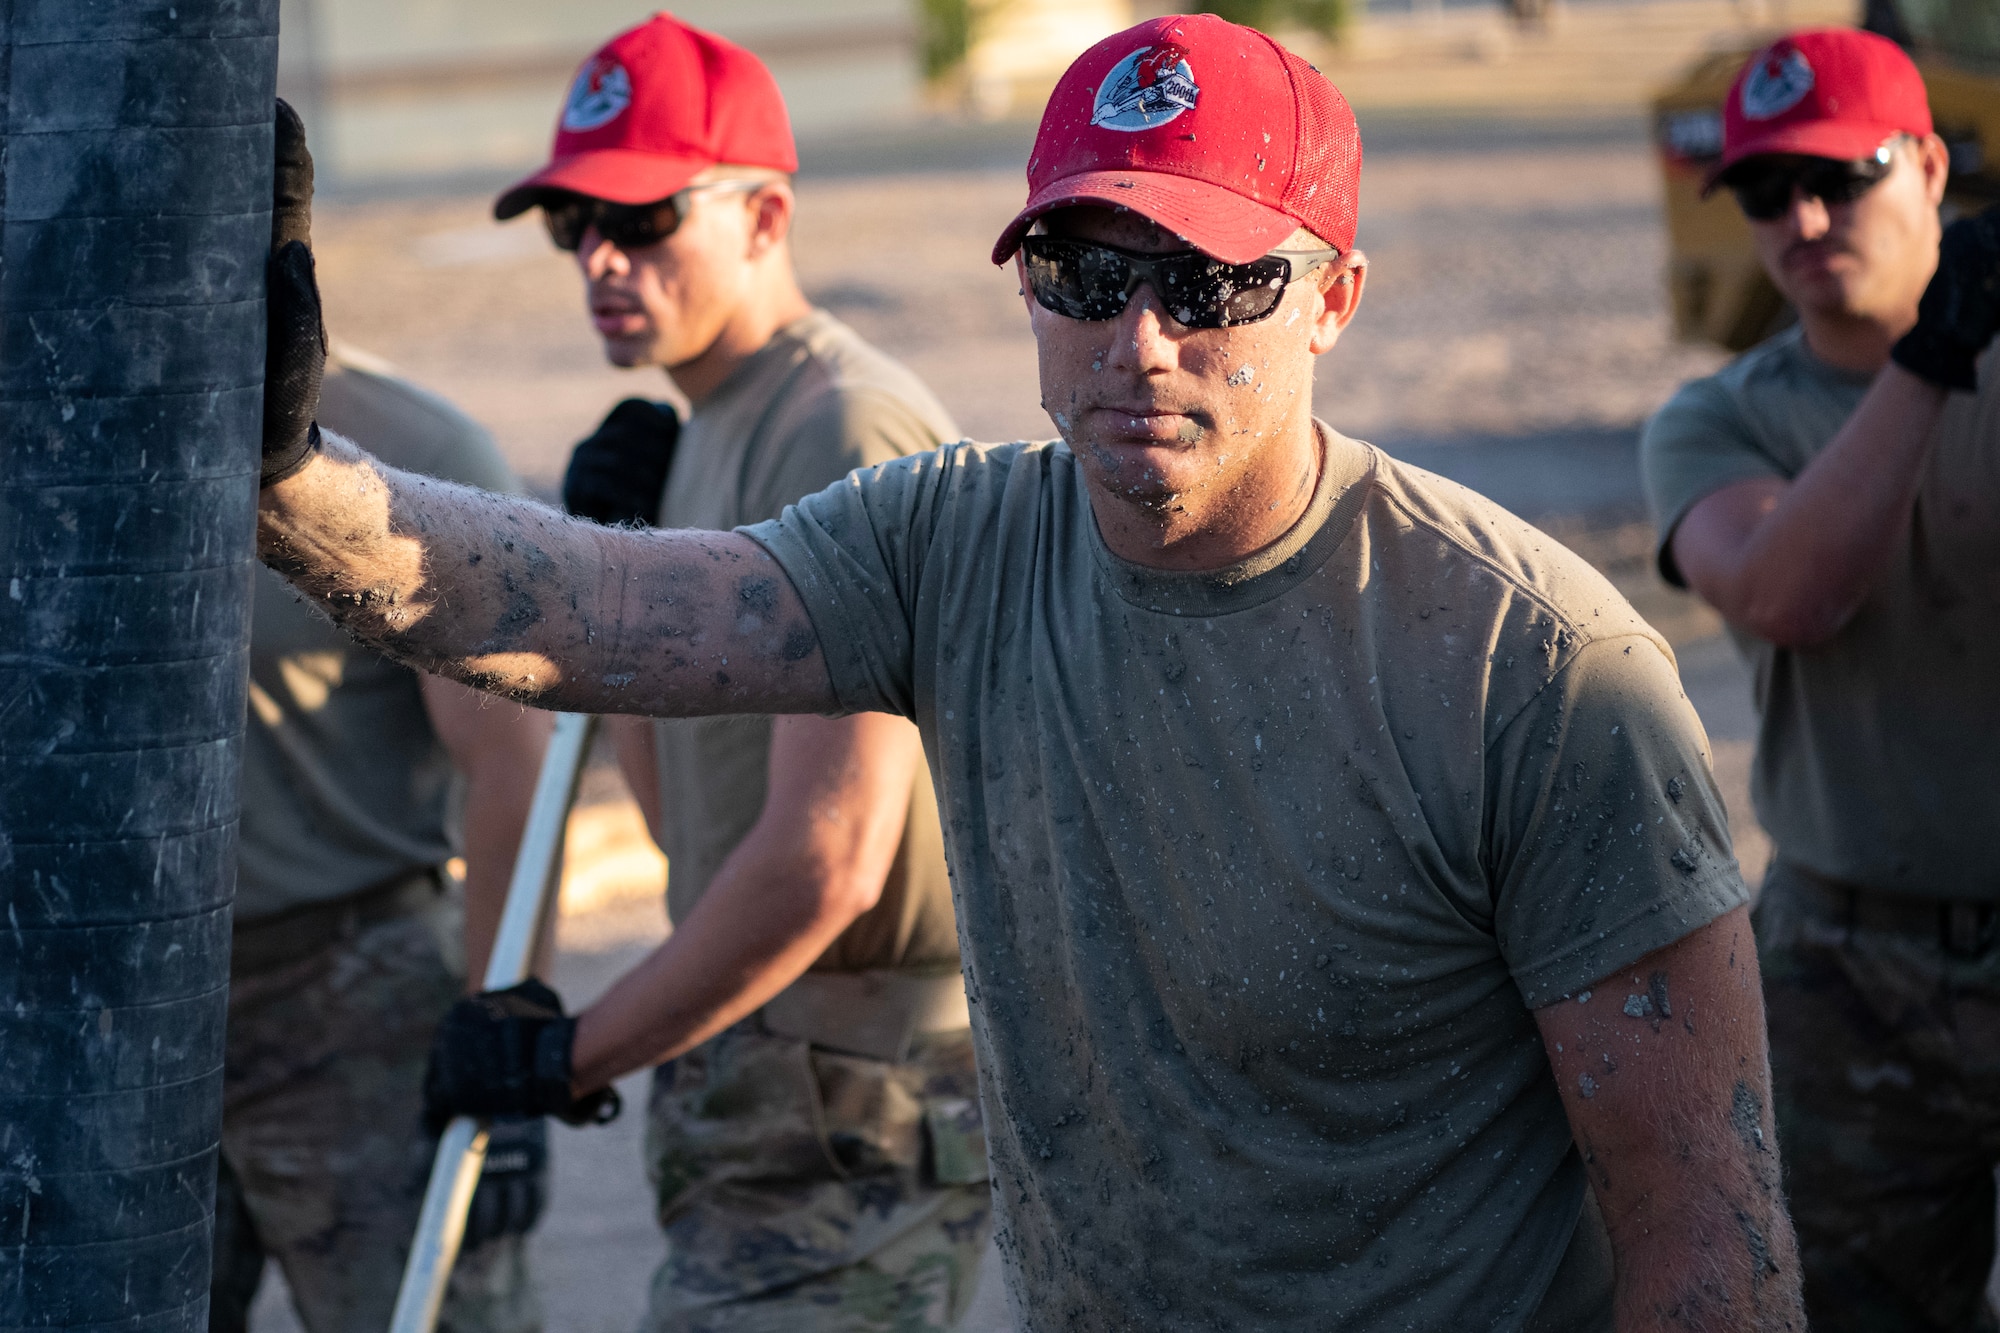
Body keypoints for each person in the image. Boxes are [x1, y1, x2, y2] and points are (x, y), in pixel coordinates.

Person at [257, 14, 1806, 1328]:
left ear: (1332, 298)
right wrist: (288, 479)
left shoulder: (1535, 671)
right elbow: (598, 612)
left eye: (1208, 283)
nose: (1137, 339)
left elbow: (1704, 1234)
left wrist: (575, 1046)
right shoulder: (955, 541)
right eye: (1081, 268)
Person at [488, 15, 990, 1331]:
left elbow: (830, 858)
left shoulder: (841, 425)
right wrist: (626, 570)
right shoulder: (709, 429)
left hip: (853, 1087)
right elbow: (690, 827)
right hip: (759, 1059)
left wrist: (567, 1054)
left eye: (645, 218)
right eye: (572, 225)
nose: (602, 257)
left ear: (766, 215)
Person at [1639, 27, 2000, 1333]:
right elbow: (1794, 595)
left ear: (1933, 169)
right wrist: (1933, 360)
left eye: (1839, 178)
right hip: (1852, 971)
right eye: (1762, 189)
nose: (1799, 218)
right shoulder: (1716, 419)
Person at [212, 336, 555, 1331]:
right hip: (109, 1006)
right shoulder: (56, 430)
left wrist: (509, 1038)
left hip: (354, 1003)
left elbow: (508, 768)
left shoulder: (411, 446)